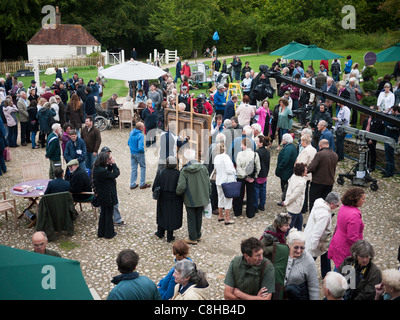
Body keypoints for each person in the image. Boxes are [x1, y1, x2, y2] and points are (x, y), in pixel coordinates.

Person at [176, 149, 211, 245]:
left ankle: (192, 237)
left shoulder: (185, 170)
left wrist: (178, 193)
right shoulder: (203, 168)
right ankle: (198, 235)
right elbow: (208, 183)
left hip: (190, 197)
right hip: (202, 196)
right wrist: (208, 194)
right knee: (199, 215)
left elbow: (181, 186)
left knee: (191, 217)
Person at [304, 192, 341, 279]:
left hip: (311, 235)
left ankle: (326, 274)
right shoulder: (324, 215)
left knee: (325, 255)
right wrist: (313, 247)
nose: (337, 207)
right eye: (337, 205)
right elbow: (317, 232)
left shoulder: (318, 202)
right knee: (311, 259)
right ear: (332, 204)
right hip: (317, 240)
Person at [328, 187, 366, 270]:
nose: (364, 201)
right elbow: (353, 237)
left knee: (338, 265)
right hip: (346, 247)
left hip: (338, 241)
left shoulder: (344, 207)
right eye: (362, 199)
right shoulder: (354, 215)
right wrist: (361, 250)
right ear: (356, 199)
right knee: (343, 270)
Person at [153, 156, 183, 242]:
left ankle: (160, 232)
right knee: (172, 216)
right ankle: (170, 236)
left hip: (163, 198)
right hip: (175, 198)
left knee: (162, 214)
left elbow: (155, 186)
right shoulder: (178, 174)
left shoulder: (161, 172)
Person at [284, 229, 319, 300]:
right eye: (296, 247)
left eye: (302, 248)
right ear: (289, 245)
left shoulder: (309, 260)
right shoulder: (283, 254)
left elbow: (314, 287)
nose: (299, 250)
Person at [93, 152, 120, 239]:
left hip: (101, 194)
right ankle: (109, 233)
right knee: (108, 214)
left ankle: (101, 232)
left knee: (103, 213)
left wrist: (110, 164)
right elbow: (115, 174)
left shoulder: (97, 168)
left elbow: (107, 172)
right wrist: (114, 164)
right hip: (107, 195)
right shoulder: (102, 171)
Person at [307, 139, 338, 212]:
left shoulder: (320, 154)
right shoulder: (335, 155)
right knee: (325, 203)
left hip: (318, 182)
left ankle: (313, 220)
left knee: (314, 202)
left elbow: (311, 167)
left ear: (320, 146)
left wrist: (304, 172)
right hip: (329, 182)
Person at [233, 137, 261, 219]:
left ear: (245, 145)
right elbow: (258, 167)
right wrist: (254, 177)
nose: (241, 146)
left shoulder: (239, 154)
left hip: (241, 177)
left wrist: (245, 176)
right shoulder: (255, 154)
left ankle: (237, 212)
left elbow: (238, 167)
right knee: (251, 195)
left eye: (242, 145)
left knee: (239, 195)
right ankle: (250, 213)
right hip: (251, 177)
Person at [213, 142, 236, 225]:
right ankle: (227, 218)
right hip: (226, 180)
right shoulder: (226, 157)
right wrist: (234, 170)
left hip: (218, 180)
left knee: (220, 198)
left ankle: (220, 215)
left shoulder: (216, 158)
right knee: (228, 199)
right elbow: (230, 170)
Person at [282, 163, 308, 231]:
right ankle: (285, 237)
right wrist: (286, 202)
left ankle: (298, 235)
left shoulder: (293, 176)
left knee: (299, 221)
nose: (307, 171)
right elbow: (294, 195)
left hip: (296, 207)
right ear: (301, 172)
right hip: (295, 206)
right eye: (305, 170)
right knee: (289, 226)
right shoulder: (301, 182)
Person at [296, 134, 316, 214]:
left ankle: (303, 207)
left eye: (301, 141)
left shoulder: (305, 151)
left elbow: (302, 164)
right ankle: (304, 207)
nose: (301, 143)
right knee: (306, 190)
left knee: (302, 191)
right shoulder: (313, 149)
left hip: (304, 174)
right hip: (309, 174)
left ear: (305, 141)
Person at [275, 133, 297, 206]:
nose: (281, 140)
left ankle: (284, 201)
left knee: (285, 186)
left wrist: (279, 168)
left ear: (286, 141)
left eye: (283, 139)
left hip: (286, 171)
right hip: (289, 170)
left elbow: (285, 160)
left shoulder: (288, 149)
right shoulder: (292, 147)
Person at [128, 122, 151, 190]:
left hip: (132, 153)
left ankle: (132, 184)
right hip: (139, 153)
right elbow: (140, 147)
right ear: (141, 128)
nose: (144, 128)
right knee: (143, 167)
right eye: (143, 126)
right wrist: (143, 151)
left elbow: (128, 143)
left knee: (134, 168)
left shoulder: (131, 132)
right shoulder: (140, 135)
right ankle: (142, 183)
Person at [362, 106, 385, 172]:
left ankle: (372, 166)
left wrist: (372, 139)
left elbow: (377, 130)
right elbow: (364, 126)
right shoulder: (367, 118)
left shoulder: (378, 120)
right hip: (365, 137)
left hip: (372, 138)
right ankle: (365, 164)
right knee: (364, 151)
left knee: (372, 152)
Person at [382, 105, 400, 178]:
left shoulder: (397, 119)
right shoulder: (394, 117)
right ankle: (387, 169)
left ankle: (390, 172)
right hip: (388, 137)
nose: (391, 112)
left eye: (392, 111)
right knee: (387, 155)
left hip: (392, 139)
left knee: (390, 156)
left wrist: (385, 121)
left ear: (396, 111)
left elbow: (388, 124)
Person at [254, 136, 271, 212]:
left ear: (261, 143)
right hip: (265, 173)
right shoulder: (267, 152)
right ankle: (262, 205)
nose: (256, 143)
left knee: (256, 190)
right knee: (263, 190)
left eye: (258, 141)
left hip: (259, 173)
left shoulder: (257, 152)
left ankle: (255, 205)